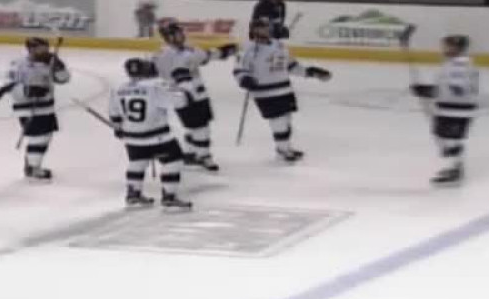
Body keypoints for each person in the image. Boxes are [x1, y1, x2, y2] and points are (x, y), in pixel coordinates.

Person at [233, 19, 332, 161]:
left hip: (284, 89)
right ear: (253, 30)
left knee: (286, 120)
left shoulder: (279, 45)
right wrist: (245, 79)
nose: (264, 30)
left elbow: (291, 66)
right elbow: (239, 70)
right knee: (278, 121)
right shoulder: (248, 49)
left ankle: (284, 148)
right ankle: (283, 150)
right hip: (265, 92)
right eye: (260, 28)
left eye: (266, 27)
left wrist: (310, 72)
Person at [152, 22, 238, 171]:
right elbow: (162, 74)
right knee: (200, 128)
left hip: (198, 94)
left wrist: (223, 51)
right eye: (176, 34)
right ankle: (204, 156)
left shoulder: (189, 49)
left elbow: (206, 55)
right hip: (182, 96)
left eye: (180, 33)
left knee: (199, 126)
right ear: (168, 37)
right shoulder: (163, 55)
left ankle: (190, 153)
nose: (181, 36)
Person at [109, 58, 192, 209]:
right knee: (173, 161)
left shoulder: (119, 89)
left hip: (132, 136)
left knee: (137, 162)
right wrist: (182, 85)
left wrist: (118, 127)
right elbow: (180, 101)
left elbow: (114, 113)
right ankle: (169, 196)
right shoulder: (156, 86)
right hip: (157, 135)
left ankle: (133, 193)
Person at [410, 35, 479, 185]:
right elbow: (448, 86)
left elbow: (458, 90)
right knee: (443, 137)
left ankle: (456, 171)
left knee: (449, 140)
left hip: (457, 109)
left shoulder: (460, 65)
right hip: (450, 107)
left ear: (457, 48)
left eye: (448, 46)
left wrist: (429, 91)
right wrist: (427, 90)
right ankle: (456, 167)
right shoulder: (453, 63)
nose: (444, 49)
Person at [7, 37, 70, 181]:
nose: (45, 51)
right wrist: (28, 91)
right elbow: (9, 86)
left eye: (46, 48)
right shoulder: (18, 64)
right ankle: (33, 168)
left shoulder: (49, 62)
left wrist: (60, 68)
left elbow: (64, 79)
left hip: (46, 107)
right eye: (41, 48)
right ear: (31, 49)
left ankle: (32, 163)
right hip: (27, 107)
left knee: (45, 136)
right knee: (39, 137)